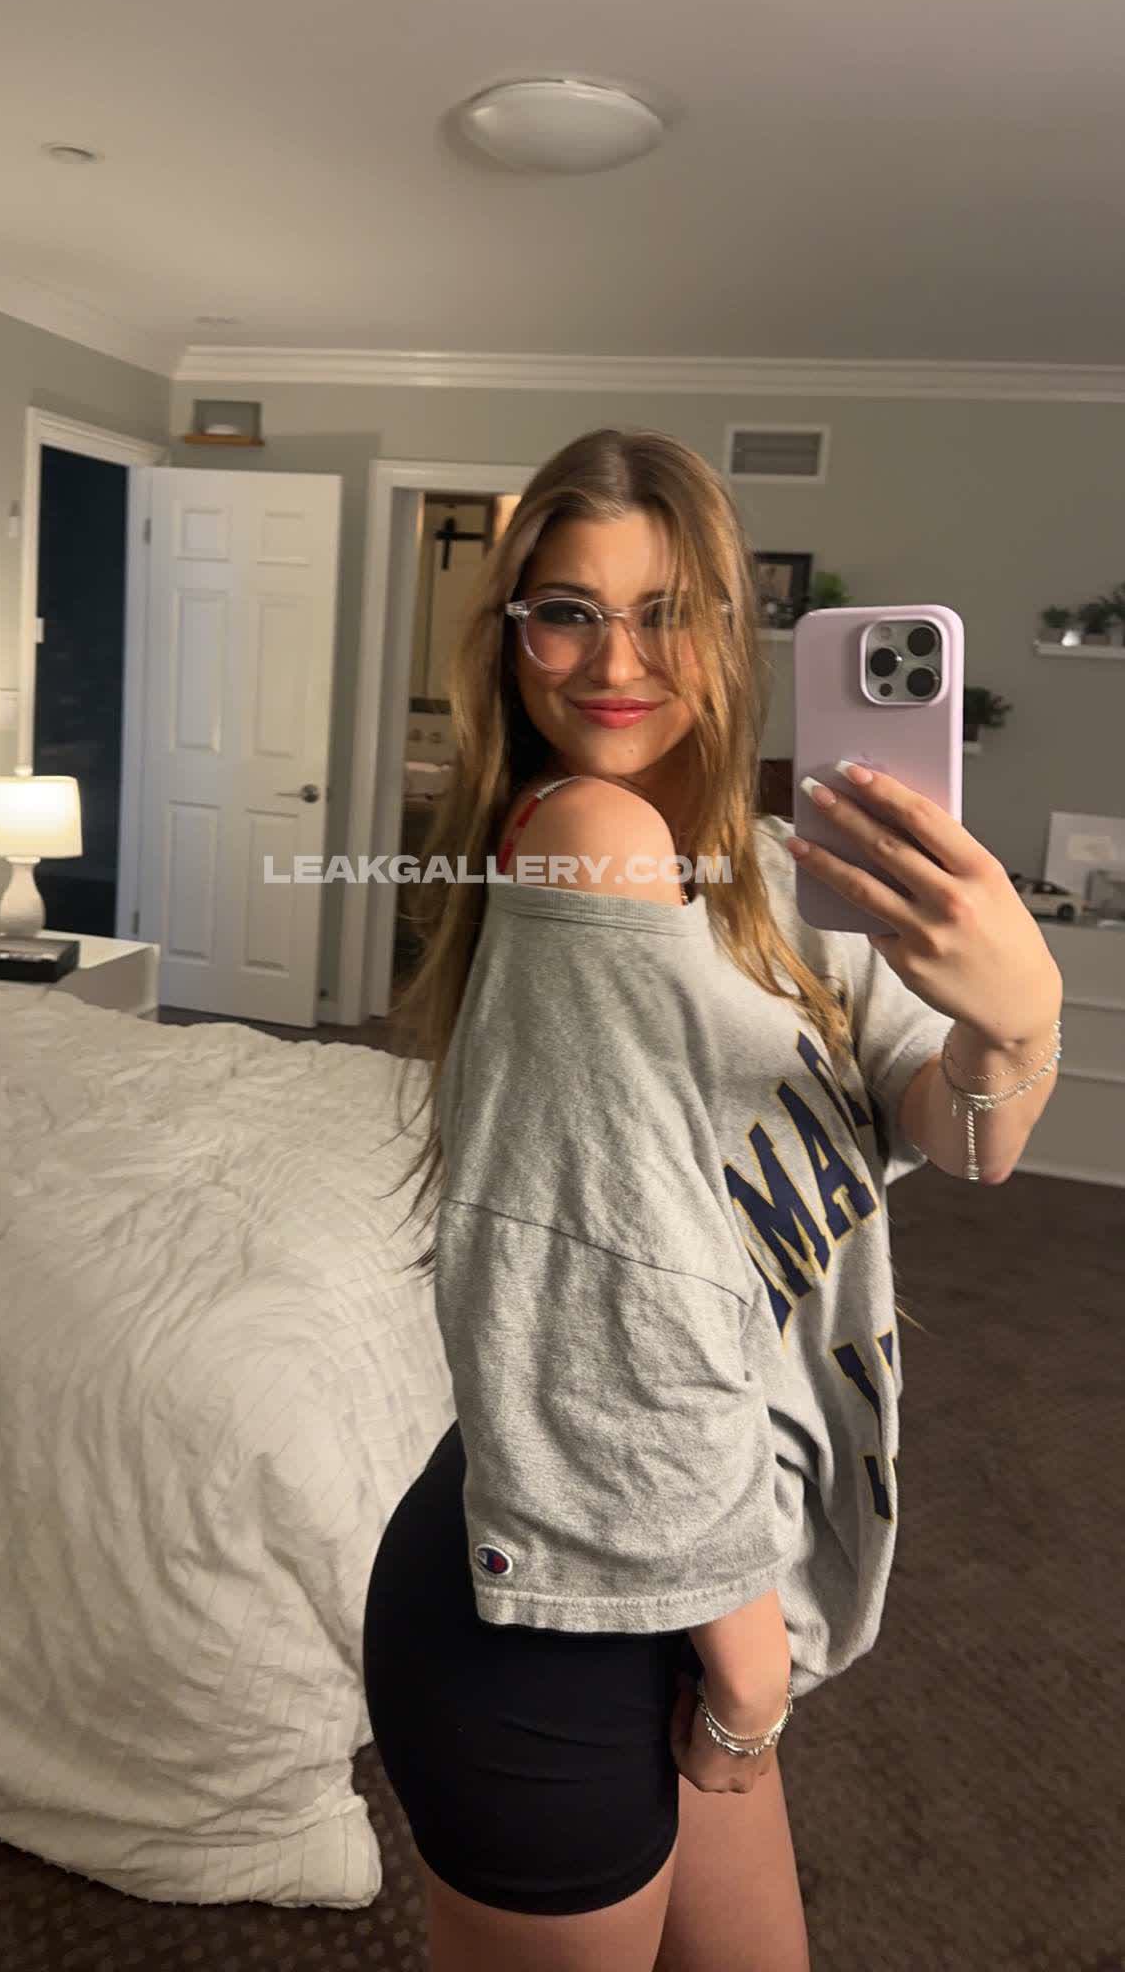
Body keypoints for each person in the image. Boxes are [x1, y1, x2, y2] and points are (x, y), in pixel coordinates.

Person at [364, 428, 1063, 1972]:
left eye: (666, 611)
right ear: (511, 637)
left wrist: (1016, 1019)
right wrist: (747, 1678)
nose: (615, 661)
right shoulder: (591, 843)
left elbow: (964, 1139)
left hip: (687, 1565)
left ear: (732, 633)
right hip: (571, 1610)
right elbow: (618, 1297)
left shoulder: (772, 873)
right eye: (566, 610)